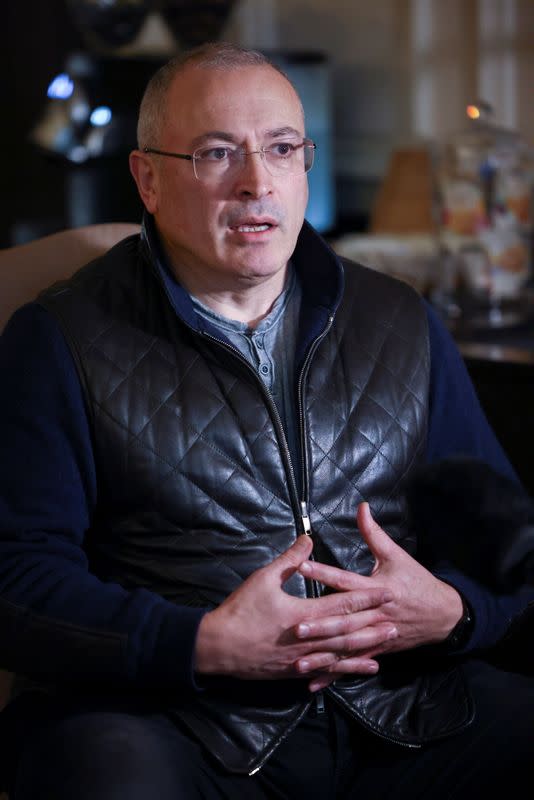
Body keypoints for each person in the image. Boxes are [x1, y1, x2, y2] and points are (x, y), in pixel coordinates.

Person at [1, 42, 534, 799]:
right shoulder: (60, 339)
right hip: (175, 719)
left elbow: (510, 551)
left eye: (282, 148)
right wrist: (203, 643)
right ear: (147, 178)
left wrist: (453, 613)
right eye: (218, 153)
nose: (257, 183)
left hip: (398, 709)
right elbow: (15, 579)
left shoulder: (398, 321)